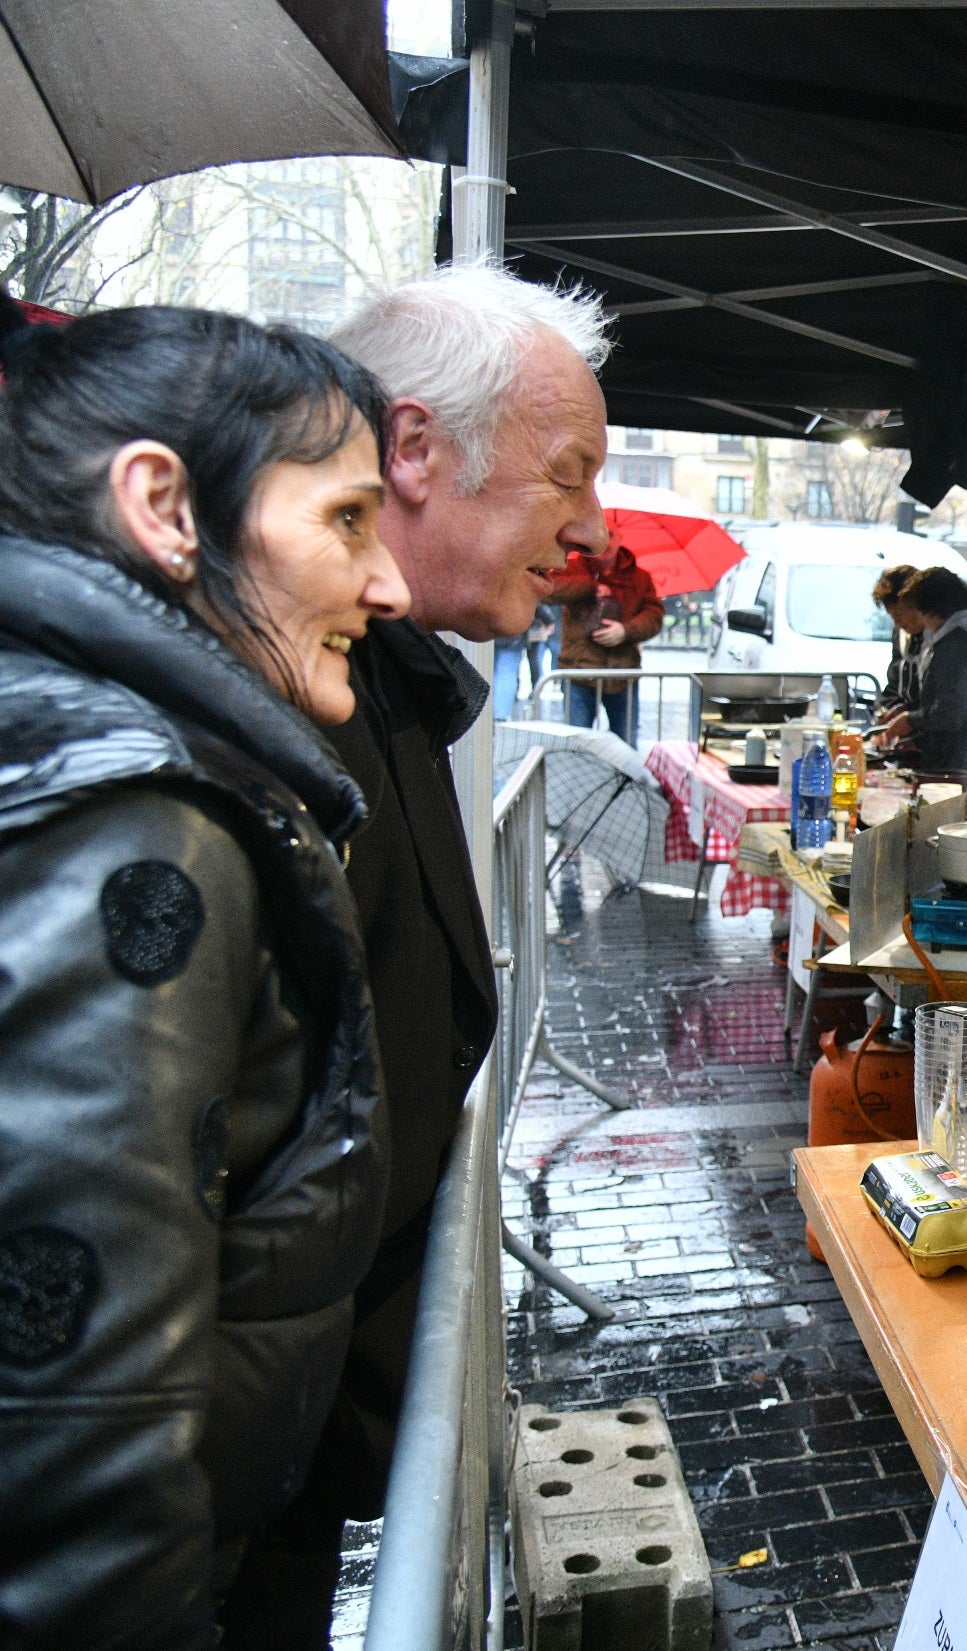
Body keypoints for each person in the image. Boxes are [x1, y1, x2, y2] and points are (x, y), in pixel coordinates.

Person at [0, 304, 408, 1644]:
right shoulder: (135, 825)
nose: (387, 583)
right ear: (163, 504)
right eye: (348, 520)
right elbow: (70, 1431)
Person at [220, 264, 613, 1647]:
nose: (590, 529)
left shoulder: (380, 676)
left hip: (278, 1437)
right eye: (566, 475)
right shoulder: (251, 713)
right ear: (414, 449)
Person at [882, 565, 967, 789]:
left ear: (928, 607)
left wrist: (910, 720)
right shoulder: (960, 635)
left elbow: (951, 713)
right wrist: (908, 711)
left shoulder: (956, 644)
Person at [546, 537, 663, 743]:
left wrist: (626, 631)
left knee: (626, 744)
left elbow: (654, 617)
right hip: (579, 672)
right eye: (600, 534)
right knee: (577, 744)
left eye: (610, 534)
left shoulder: (639, 578)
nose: (604, 541)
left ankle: (623, 777)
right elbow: (549, 588)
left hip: (623, 674)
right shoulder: (574, 568)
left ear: (620, 539)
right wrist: (590, 586)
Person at [872, 562, 924, 715]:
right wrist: (886, 710)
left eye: (900, 613)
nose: (898, 622)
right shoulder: (901, 633)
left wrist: (910, 717)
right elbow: (896, 680)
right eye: (892, 616)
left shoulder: (938, 637)